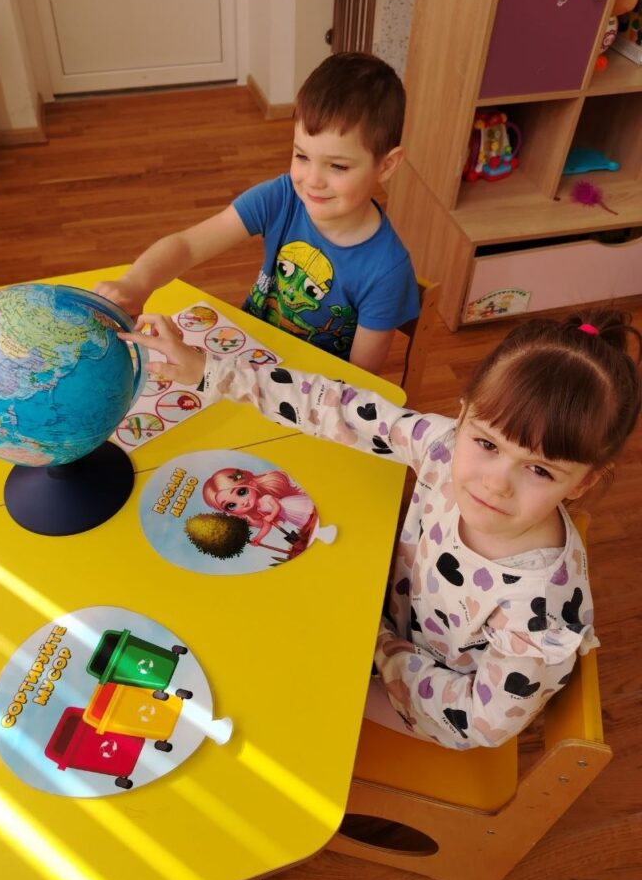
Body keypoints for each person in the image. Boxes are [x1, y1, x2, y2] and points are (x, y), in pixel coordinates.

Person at [122, 309, 641, 749]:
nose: (496, 483)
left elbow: (479, 724)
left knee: (262, 707)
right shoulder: (444, 446)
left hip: (423, 700)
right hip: (381, 619)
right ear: (461, 416)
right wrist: (213, 371)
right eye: (486, 444)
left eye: (540, 470)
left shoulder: (540, 613)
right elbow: (340, 407)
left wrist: (379, 650)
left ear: (583, 482)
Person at [95, 52, 419, 374]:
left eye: (337, 166)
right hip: (245, 358)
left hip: (309, 393)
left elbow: (359, 381)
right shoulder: (282, 196)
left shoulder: (387, 271)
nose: (312, 180)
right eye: (301, 156)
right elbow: (188, 245)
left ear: (387, 165)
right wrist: (136, 283)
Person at [202, 466, 317, 547]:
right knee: (310, 527)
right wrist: (258, 538)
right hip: (292, 517)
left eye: (242, 492)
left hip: (294, 506)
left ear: (252, 484)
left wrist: (271, 516)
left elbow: (277, 507)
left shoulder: (265, 498)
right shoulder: (259, 511)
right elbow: (266, 526)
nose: (242, 503)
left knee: (313, 515)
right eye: (231, 505)